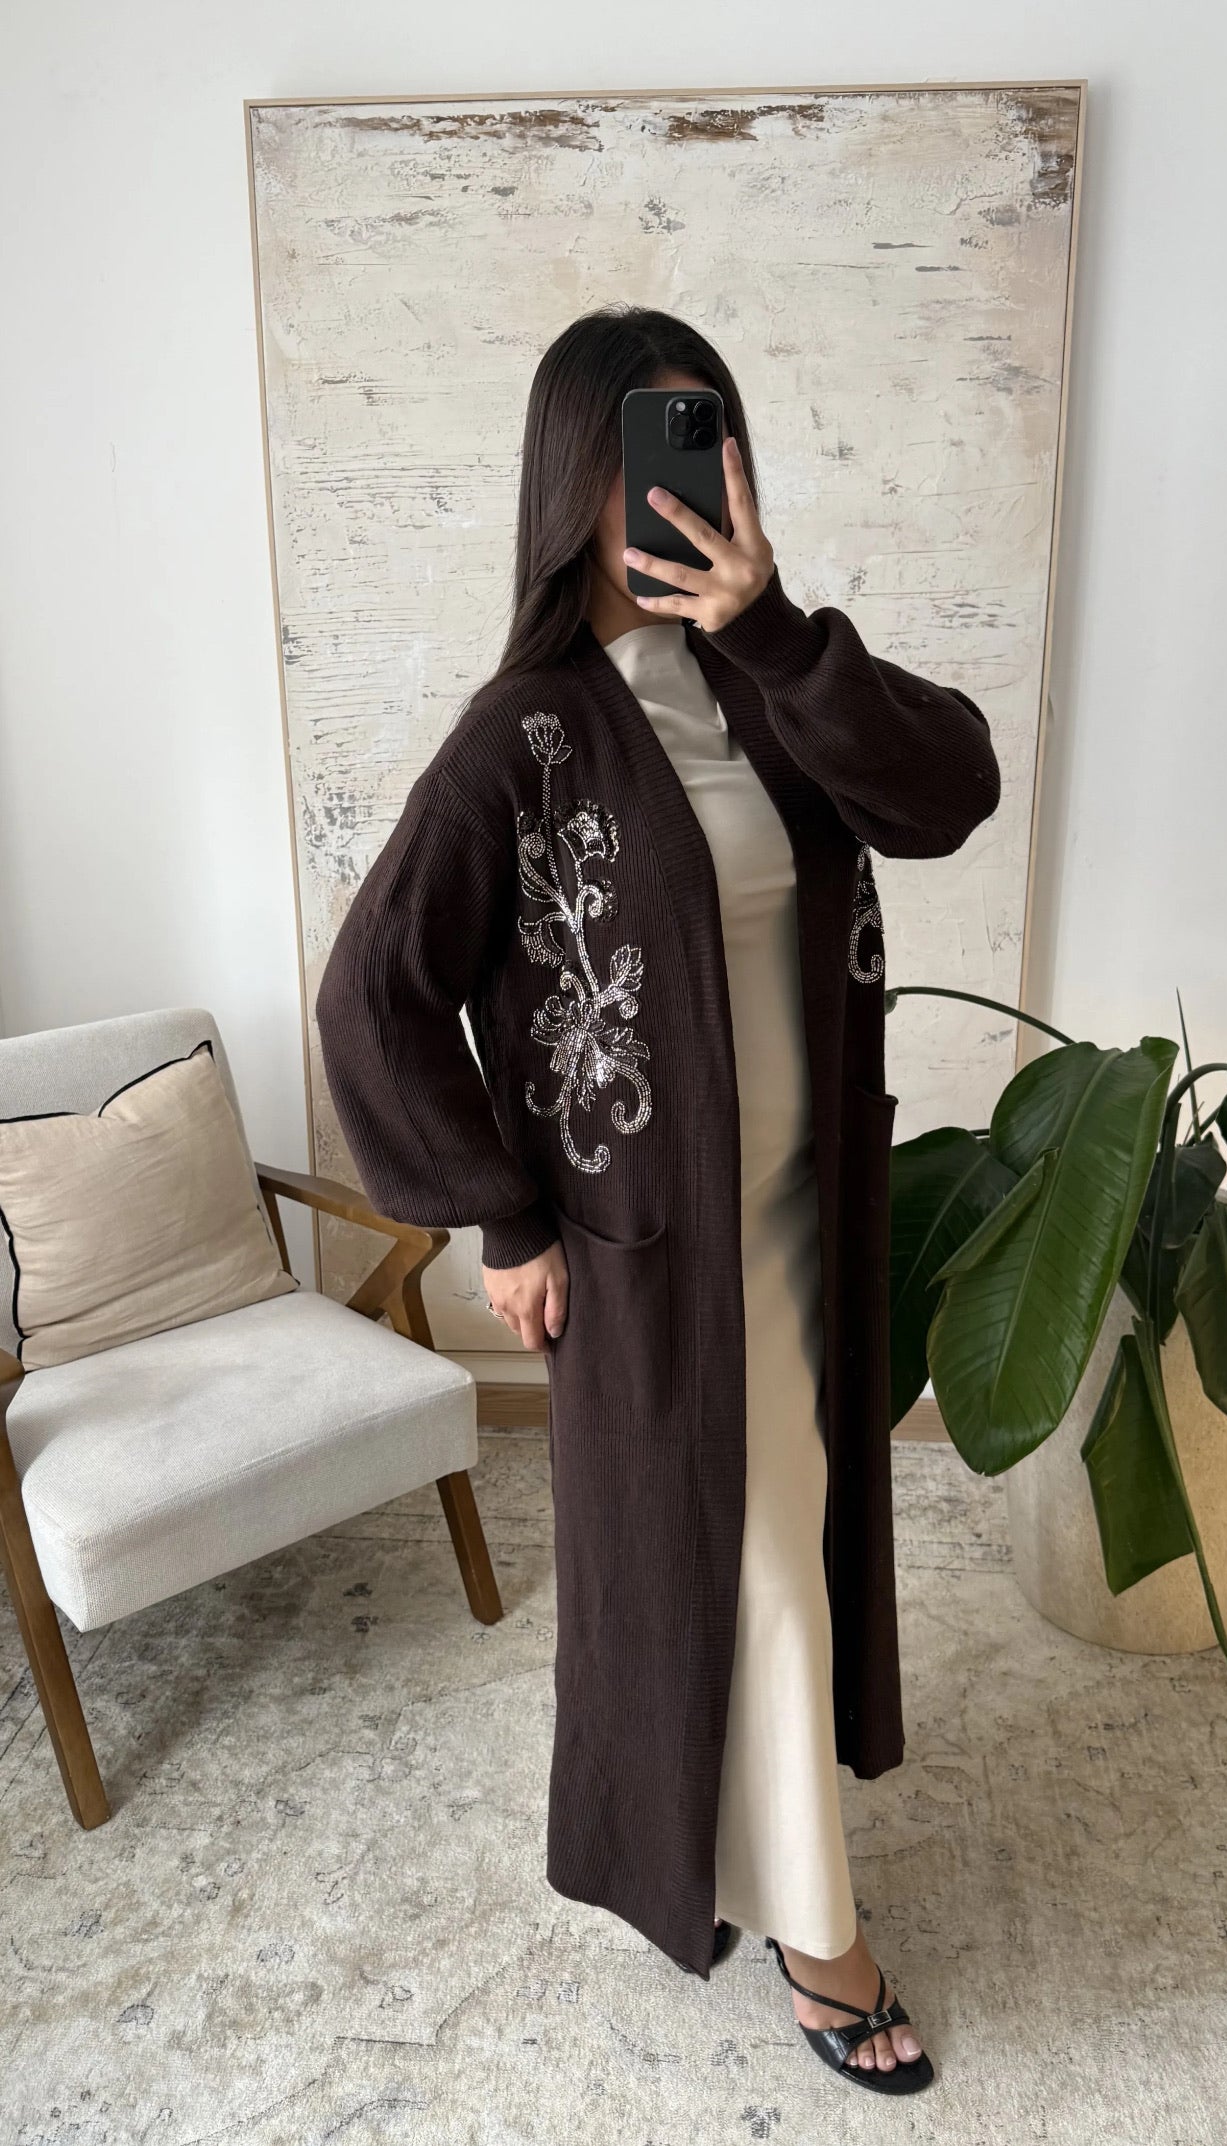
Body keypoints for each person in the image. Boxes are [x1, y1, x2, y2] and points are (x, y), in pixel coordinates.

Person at [315, 304, 1000, 2097]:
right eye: (650, 450)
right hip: (657, 1257)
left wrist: (771, 623)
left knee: (770, 1554)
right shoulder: (526, 735)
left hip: (805, 1222)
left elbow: (952, 788)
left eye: (710, 440)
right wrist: (502, 1213)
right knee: (748, 1564)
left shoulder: (776, 688)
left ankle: (739, 1861)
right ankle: (822, 1939)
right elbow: (373, 993)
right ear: (580, 480)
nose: (685, 486)